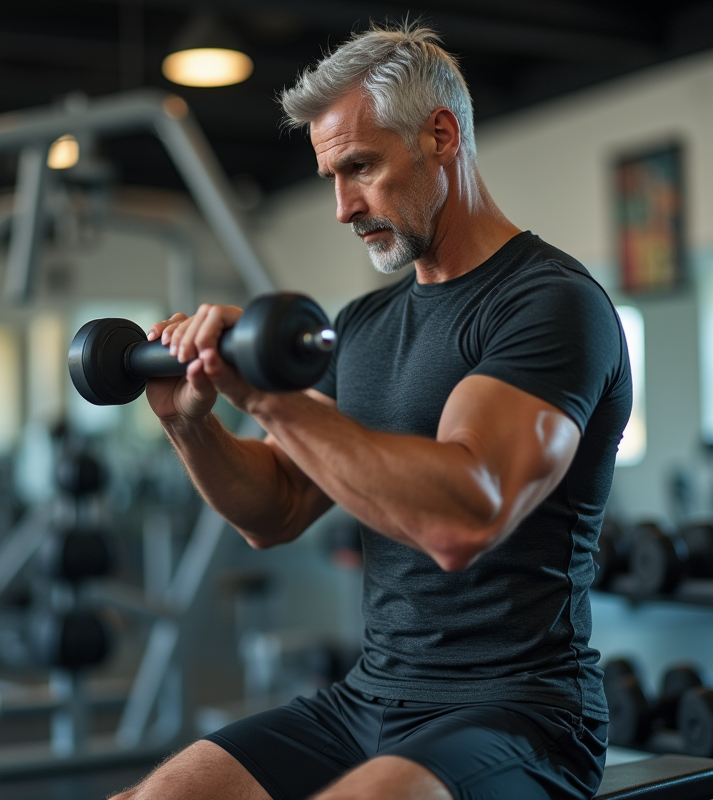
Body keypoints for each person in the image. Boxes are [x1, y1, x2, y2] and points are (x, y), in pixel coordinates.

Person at [112, 21, 632, 800]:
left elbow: (465, 515)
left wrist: (271, 398)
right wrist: (190, 420)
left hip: (521, 715)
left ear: (441, 136)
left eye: (360, 167)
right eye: (330, 175)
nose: (342, 207)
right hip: (367, 701)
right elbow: (275, 510)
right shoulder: (361, 326)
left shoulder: (550, 304)